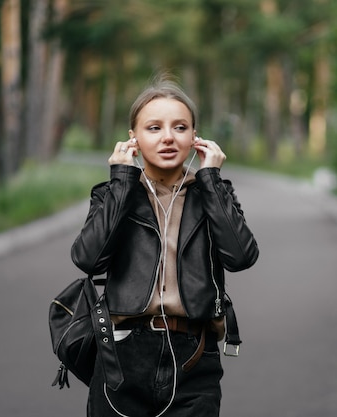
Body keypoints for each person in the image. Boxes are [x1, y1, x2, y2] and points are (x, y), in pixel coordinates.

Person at [70, 74, 259, 417]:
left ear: (195, 137)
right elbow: (88, 260)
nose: (168, 137)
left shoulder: (215, 194)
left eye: (180, 127)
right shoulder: (112, 194)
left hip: (194, 355)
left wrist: (211, 179)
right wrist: (123, 181)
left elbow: (241, 256)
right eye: (154, 128)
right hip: (122, 356)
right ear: (134, 139)